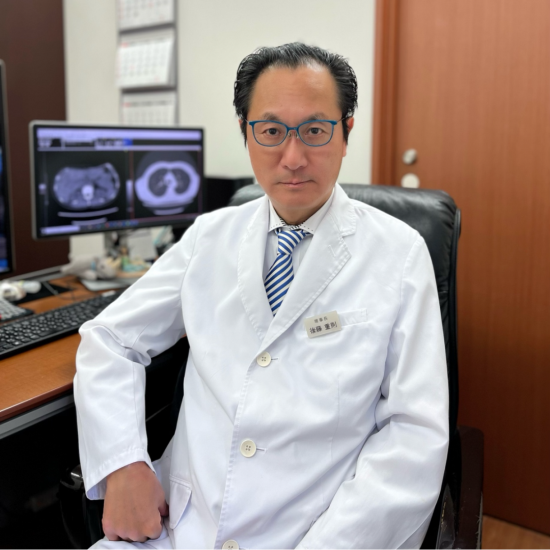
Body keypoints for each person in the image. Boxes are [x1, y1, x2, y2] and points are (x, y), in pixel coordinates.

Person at [74, 42, 449, 550]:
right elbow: (110, 338)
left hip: (315, 535)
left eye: (315, 130)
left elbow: (414, 432)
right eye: (271, 131)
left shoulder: (399, 253)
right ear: (246, 133)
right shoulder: (209, 236)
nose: (292, 158)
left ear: (346, 133)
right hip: (178, 527)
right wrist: (123, 465)